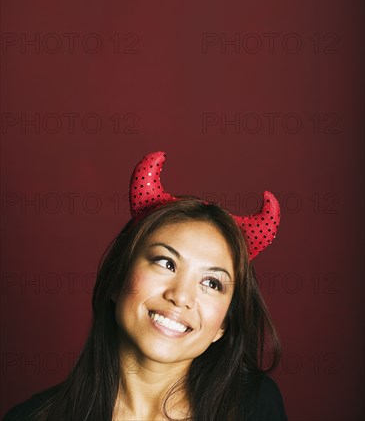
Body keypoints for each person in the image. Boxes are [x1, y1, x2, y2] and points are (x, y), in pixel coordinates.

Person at [3, 151, 288, 421]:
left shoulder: (255, 406)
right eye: (166, 263)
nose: (180, 297)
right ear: (118, 278)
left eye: (212, 283)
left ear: (223, 325)